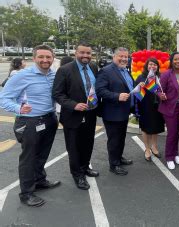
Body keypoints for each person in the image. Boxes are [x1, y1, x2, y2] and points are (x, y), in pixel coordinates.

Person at [0, 45, 60, 207]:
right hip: (29, 121)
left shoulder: (54, 75)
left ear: (53, 58)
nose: (45, 60)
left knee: (42, 154)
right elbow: (3, 98)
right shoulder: (22, 76)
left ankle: (40, 180)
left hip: (50, 118)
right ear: (33, 58)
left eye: (48, 57)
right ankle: (26, 193)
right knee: (29, 158)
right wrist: (18, 108)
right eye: (41, 57)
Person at [52, 42, 99, 190]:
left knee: (88, 143)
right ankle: (77, 175)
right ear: (75, 53)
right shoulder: (65, 70)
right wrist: (74, 105)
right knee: (74, 147)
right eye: (82, 53)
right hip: (73, 116)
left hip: (90, 113)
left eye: (88, 53)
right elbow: (57, 94)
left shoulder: (93, 67)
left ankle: (85, 167)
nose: (85, 56)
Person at [95, 47, 134, 176]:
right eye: (121, 56)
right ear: (114, 57)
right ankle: (114, 164)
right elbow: (100, 90)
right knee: (114, 140)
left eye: (126, 57)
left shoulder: (125, 70)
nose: (124, 59)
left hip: (123, 112)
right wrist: (116, 96)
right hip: (112, 113)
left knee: (121, 137)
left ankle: (119, 157)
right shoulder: (106, 71)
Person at [158, 52, 179, 170]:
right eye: (176, 59)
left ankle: (175, 154)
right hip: (170, 107)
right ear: (172, 61)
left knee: (177, 132)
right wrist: (160, 95)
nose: (178, 61)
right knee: (172, 133)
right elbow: (159, 90)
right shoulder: (166, 74)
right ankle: (169, 157)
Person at [135, 58, 165, 161]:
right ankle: (147, 149)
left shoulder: (160, 77)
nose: (152, 66)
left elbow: (164, 89)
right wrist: (139, 86)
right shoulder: (141, 77)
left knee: (155, 127)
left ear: (158, 66)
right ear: (146, 66)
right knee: (145, 128)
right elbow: (135, 93)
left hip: (158, 106)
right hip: (145, 106)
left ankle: (154, 147)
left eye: (155, 65)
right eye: (150, 64)